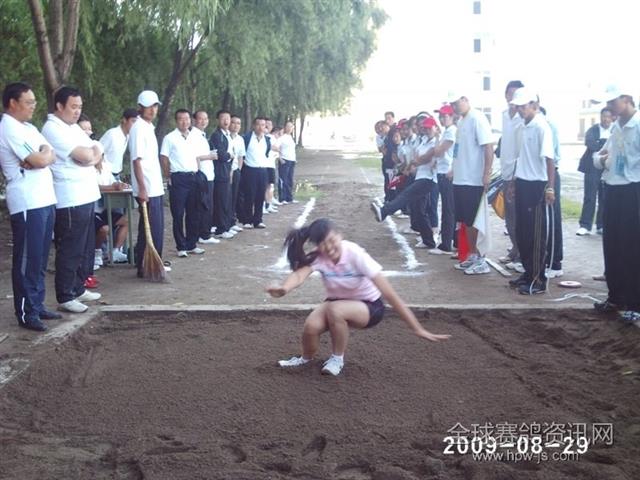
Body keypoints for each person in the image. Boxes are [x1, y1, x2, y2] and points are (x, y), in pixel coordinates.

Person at [266, 218, 450, 376]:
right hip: (337, 302)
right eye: (322, 244)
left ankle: (337, 359)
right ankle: (305, 359)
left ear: (340, 235)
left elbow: (389, 293)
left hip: (369, 307)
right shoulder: (319, 257)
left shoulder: (355, 254)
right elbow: (299, 275)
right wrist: (284, 288)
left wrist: (417, 328)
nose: (329, 248)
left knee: (335, 310)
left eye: (331, 240)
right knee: (311, 327)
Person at [0, 82, 59, 331]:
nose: (33, 106)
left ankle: (37, 303)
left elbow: (49, 154)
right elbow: (39, 159)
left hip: (44, 198)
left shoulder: (30, 128)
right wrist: (40, 156)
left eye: (34, 102)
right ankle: (26, 312)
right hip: (27, 201)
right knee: (27, 258)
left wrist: (42, 154)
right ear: (13, 103)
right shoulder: (9, 128)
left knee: (40, 257)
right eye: (28, 102)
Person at [42, 86, 104, 313]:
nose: (77, 111)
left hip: (86, 194)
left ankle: (78, 287)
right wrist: (92, 155)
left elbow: (96, 147)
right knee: (70, 248)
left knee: (84, 247)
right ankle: (65, 295)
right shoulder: (52, 128)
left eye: (80, 107)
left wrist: (92, 154)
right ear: (59, 106)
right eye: (73, 107)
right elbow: (87, 155)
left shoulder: (73, 128)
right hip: (70, 197)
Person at [592, 85, 640, 323]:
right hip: (612, 187)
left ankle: (635, 302)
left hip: (633, 189)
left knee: (632, 246)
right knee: (611, 244)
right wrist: (601, 160)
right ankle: (616, 296)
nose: (609, 107)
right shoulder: (616, 127)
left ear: (626, 98)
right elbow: (600, 156)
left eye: (612, 102)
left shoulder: (637, 125)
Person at [508, 88, 555, 295]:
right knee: (522, 232)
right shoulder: (523, 127)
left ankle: (538, 279)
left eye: (523, 106)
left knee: (536, 235)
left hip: (537, 184)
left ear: (534, 105)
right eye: (518, 106)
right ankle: (528, 273)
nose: (520, 110)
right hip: (523, 182)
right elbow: (521, 157)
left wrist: (550, 187)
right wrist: (514, 182)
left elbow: (550, 159)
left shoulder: (541, 126)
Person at [448, 91, 494, 275]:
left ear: (465, 99)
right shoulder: (461, 122)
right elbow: (458, 150)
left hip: (473, 179)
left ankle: (481, 258)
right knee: (466, 220)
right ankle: (473, 254)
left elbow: (488, 146)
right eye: (452, 104)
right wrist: (454, 168)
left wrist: (486, 173)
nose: (454, 107)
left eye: (456, 103)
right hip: (461, 178)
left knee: (475, 220)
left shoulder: (477, 118)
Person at [128, 90, 167, 278]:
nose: (152, 110)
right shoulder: (138, 128)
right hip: (147, 187)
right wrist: (142, 188)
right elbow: (136, 160)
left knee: (151, 229)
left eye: (155, 106)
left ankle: (148, 264)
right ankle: (146, 265)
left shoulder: (148, 127)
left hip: (155, 186)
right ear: (140, 108)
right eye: (148, 106)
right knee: (152, 228)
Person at [160, 109, 205, 257]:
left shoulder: (195, 137)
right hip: (178, 178)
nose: (184, 122)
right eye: (181, 119)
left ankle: (192, 244)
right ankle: (181, 246)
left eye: (187, 119)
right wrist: (168, 175)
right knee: (178, 213)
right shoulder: (170, 138)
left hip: (194, 177)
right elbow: (164, 158)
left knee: (194, 212)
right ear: (176, 121)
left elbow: (198, 156)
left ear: (190, 121)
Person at [497, 81, 525, 270]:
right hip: (505, 172)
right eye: (511, 94)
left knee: (519, 216)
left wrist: (516, 176)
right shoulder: (504, 116)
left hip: (518, 175)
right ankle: (515, 248)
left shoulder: (522, 119)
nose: (514, 99)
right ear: (506, 95)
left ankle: (522, 254)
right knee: (509, 217)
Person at [577, 107, 613, 236]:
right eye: (604, 116)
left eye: (608, 117)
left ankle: (601, 225)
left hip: (607, 167)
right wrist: (604, 147)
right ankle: (585, 225)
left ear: (612, 118)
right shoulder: (593, 130)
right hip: (592, 166)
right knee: (590, 197)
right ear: (600, 117)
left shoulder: (614, 131)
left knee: (605, 197)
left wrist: (601, 145)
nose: (606, 119)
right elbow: (590, 143)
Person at [190, 110, 220, 244]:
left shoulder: (202, 135)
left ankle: (204, 233)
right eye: (200, 119)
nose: (203, 121)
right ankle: (203, 234)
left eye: (206, 119)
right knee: (203, 206)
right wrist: (210, 156)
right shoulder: (193, 136)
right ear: (194, 120)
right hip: (202, 175)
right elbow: (194, 156)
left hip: (209, 174)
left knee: (208, 205)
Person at [238, 117, 271, 229]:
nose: (260, 127)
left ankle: (258, 220)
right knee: (249, 195)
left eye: (263, 125)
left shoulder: (267, 140)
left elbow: (266, 153)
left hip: (262, 170)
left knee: (260, 196)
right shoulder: (246, 138)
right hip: (250, 170)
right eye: (258, 124)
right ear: (253, 126)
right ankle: (247, 220)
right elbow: (242, 154)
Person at [209, 110, 236, 239]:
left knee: (226, 200)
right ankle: (221, 228)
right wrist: (230, 155)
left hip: (226, 171)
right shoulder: (216, 136)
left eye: (228, 119)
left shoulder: (227, 135)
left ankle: (225, 226)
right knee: (221, 201)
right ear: (217, 120)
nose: (226, 121)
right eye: (223, 118)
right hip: (219, 172)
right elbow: (221, 155)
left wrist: (229, 156)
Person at [99, 108, 138, 181]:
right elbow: (97, 152)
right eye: (133, 121)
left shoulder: (127, 136)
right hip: (105, 175)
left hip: (117, 175)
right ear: (124, 120)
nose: (135, 125)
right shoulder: (112, 134)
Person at [229, 114, 246, 229]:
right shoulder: (225, 137)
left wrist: (238, 170)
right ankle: (222, 223)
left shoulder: (240, 139)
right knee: (224, 198)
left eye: (238, 123)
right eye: (233, 122)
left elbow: (241, 156)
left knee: (234, 197)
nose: (236, 125)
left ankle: (232, 221)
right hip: (225, 172)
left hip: (235, 171)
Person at [278, 120, 297, 204]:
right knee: (283, 179)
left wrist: (294, 159)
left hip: (291, 160)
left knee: (289, 179)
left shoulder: (290, 137)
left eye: (291, 126)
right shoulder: (282, 138)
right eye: (288, 126)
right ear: (285, 127)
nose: (290, 128)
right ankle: (282, 198)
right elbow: (275, 147)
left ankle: (289, 197)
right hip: (284, 160)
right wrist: (280, 158)